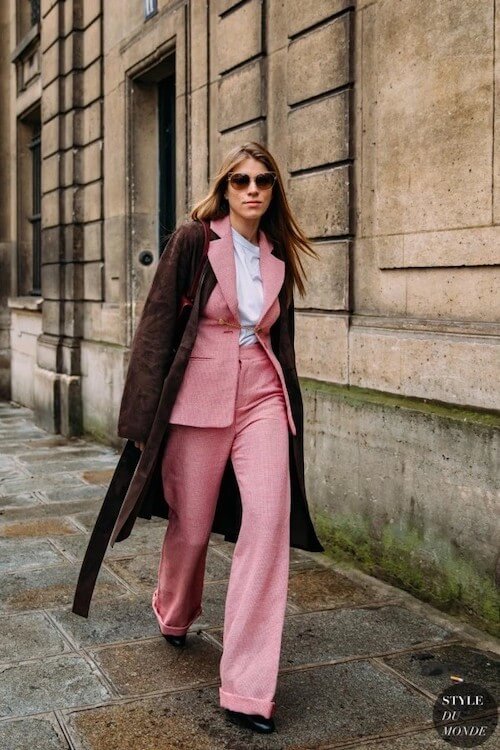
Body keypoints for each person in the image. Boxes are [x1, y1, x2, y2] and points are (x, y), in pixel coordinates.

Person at [72, 141, 324, 735]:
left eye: (263, 180)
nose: (253, 189)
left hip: (263, 397)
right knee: (191, 524)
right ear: (226, 187)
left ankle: (246, 689)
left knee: (267, 523)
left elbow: (277, 337)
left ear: (273, 190)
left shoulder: (276, 251)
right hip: (198, 402)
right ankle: (175, 609)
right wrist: (138, 421)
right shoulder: (193, 241)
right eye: (241, 181)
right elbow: (157, 325)